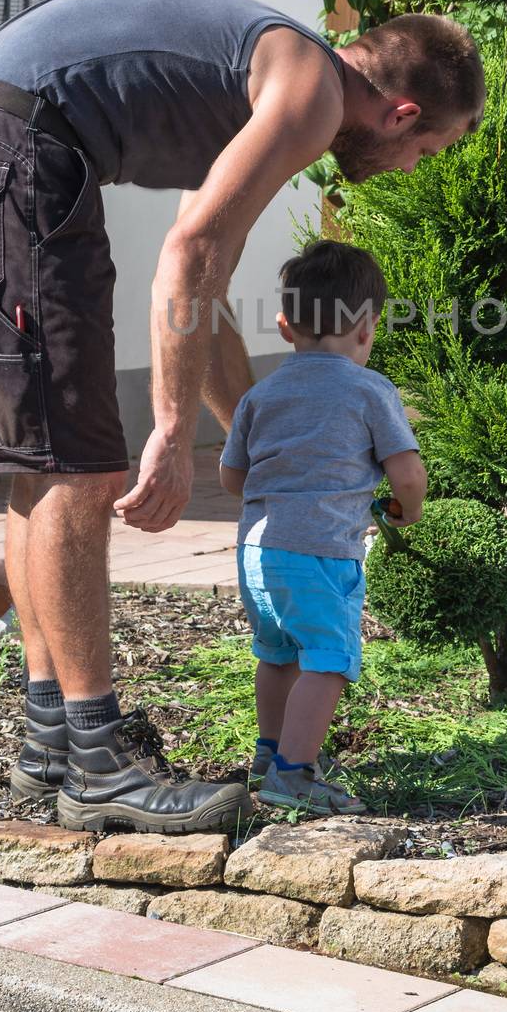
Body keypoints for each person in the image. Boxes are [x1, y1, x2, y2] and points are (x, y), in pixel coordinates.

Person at [0, 0, 484, 835]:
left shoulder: (265, 85)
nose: (411, 169)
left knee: (47, 464)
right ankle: (98, 763)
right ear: (401, 114)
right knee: (81, 469)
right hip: (15, 152)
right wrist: (172, 432)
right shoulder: (311, 93)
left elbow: (201, 292)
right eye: (429, 150)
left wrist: (259, 424)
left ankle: (51, 743)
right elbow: (192, 252)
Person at [219, 238, 426, 816]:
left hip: (256, 552)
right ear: (367, 328)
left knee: (277, 653)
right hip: (320, 552)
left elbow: (232, 477)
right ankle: (294, 773)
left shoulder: (260, 394)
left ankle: (270, 752)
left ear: (286, 327)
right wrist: (410, 510)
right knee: (328, 659)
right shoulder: (369, 389)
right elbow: (407, 471)